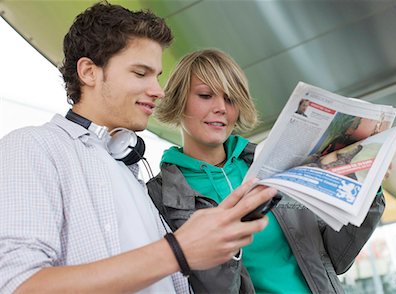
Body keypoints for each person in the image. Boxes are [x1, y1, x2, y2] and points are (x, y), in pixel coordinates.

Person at [0, 3, 278, 293]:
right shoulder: (32, 148)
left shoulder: (130, 173)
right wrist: (178, 251)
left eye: (156, 76)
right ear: (89, 72)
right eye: (140, 73)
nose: (158, 90)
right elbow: (17, 285)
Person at [148, 48, 386, 293]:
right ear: (178, 99)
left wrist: (367, 186)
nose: (221, 108)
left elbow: (336, 258)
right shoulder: (158, 198)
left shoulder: (275, 164)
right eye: (205, 95)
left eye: (230, 99)